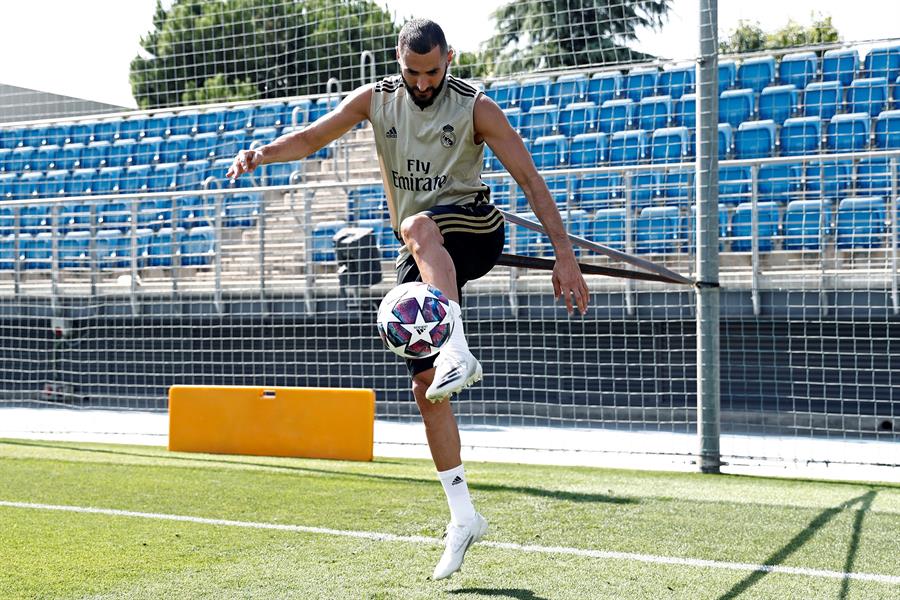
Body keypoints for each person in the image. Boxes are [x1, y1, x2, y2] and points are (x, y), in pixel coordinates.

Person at [227, 18, 589, 580]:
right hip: (420, 247)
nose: (422, 83)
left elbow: (530, 181)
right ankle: (464, 515)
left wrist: (564, 255)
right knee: (425, 389)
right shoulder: (378, 100)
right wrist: (261, 153)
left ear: (451, 57)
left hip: (473, 227)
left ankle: (457, 350)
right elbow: (310, 139)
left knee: (419, 226)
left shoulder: (478, 108)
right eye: (411, 72)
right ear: (398, 61)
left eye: (432, 71)